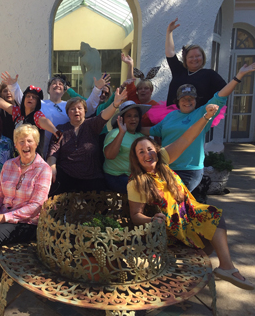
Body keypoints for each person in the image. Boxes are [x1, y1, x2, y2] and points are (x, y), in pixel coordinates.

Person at [127, 104, 254, 291]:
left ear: (157, 150)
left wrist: (206, 117)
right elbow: (135, 215)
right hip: (171, 229)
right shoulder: (137, 182)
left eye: (150, 149)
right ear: (136, 159)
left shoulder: (163, 160)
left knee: (214, 219)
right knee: (212, 228)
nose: (148, 154)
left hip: (189, 215)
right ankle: (209, 272)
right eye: (141, 152)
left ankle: (223, 268)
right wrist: (152, 219)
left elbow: (187, 137)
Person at [147, 63, 255, 191]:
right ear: (177, 101)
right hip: (167, 167)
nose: (187, 101)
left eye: (191, 98)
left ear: (196, 100)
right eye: (184, 98)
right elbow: (153, 130)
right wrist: (129, 129)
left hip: (189, 170)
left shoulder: (201, 113)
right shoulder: (171, 116)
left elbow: (220, 96)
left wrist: (239, 75)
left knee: (177, 202)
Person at [0, 124, 51, 291]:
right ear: (16, 145)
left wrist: (4, 218)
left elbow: (36, 206)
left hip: (27, 223)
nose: (25, 145)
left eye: (29, 141)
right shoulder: (8, 165)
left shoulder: (43, 169)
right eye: (21, 141)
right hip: (3, 215)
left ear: (36, 144)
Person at [47, 87, 128, 196]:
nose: (76, 111)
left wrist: (115, 105)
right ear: (68, 113)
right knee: (52, 193)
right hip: (67, 173)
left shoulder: (92, 124)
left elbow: (103, 117)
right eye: (72, 109)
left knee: (101, 208)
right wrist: (52, 166)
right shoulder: (60, 128)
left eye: (79, 108)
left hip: (91, 175)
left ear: (85, 111)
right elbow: (54, 149)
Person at [6, 73, 107, 156]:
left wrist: (97, 89)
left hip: (65, 150)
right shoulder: (40, 104)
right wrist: (13, 86)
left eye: (60, 84)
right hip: (41, 150)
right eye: (54, 83)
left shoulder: (69, 105)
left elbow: (88, 107)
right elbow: (23, 101)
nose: (57, 85)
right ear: (48, 90)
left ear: (64, 90)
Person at [0, 83, 61, 156]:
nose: (30, 98)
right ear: (24, 98)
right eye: (28, 96)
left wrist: (55, 131)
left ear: (37, 102)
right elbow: (0, 102)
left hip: (33, 160)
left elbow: (44, 121)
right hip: (18, 157)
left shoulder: (36, 115)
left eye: (34, 97)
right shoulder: (17, 112)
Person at [165, 18, 226, 108]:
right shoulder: (179, 70)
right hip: (174, 116)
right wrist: (169, 32)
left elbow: (224, 90)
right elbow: (170, 52)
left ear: (203, 57)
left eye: (198, 56)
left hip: (197, 118)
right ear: (185, 59)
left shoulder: (209, 75)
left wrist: (238, 77)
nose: (195, 59)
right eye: (191, 57)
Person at [103, 101, 151, 194]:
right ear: (122, 119)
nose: (133, 119)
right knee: (143, 191)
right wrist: (122, 132)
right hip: (116, 177)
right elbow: (109, 155)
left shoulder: (140, 135)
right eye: (129, 116)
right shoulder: (115, 133)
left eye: (136, 116)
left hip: (136, 176)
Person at [121, 54, 160, 127]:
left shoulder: (155, 106)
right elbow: (130, 81)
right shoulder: (133, 99)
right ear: (137, 91)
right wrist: (130, 64)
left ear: (151, 91)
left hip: (144, 137)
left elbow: (157, 128)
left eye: (146, 88)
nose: (142, 90)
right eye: (140, 88)